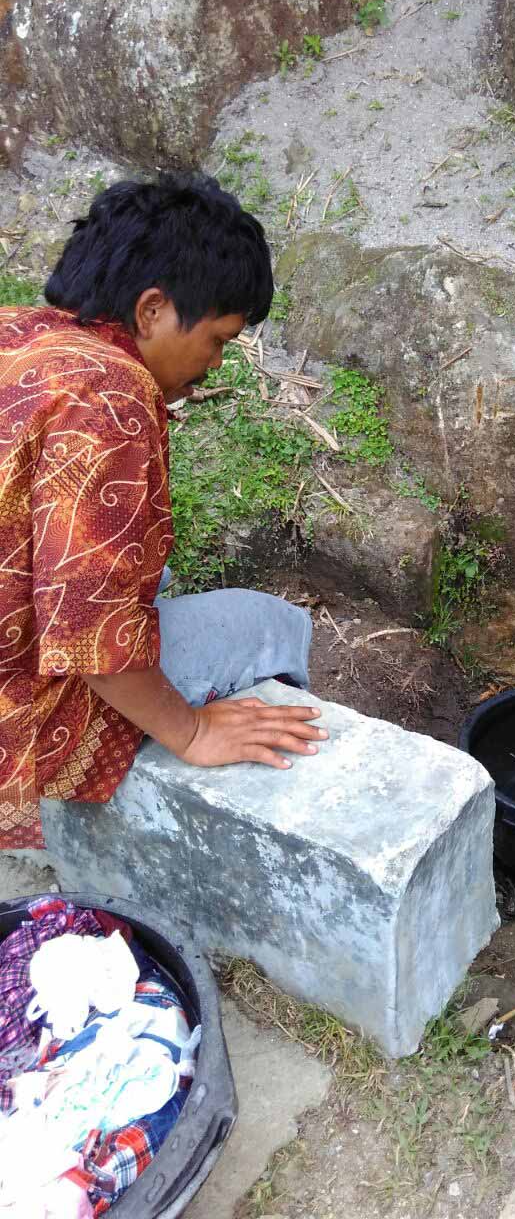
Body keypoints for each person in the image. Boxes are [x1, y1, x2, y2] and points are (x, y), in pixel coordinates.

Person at [0, 173, 327, 851]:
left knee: (161, 573)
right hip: (20, 712)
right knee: (268, 624)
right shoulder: (111, 398)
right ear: (152, 310)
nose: (213, 364)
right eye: (218, 340)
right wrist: (192, 731)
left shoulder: (18, 333)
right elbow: (90, 629)